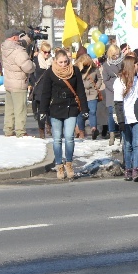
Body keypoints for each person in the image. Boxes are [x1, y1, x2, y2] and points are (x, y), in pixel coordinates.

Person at [38, 49, 88, 180]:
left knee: (69, 137)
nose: (64, 64)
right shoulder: (50, 72)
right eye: (61, 62)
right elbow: (46, 93)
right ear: (55, 61)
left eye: (66, 61)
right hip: (55, 108)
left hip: (70, 107)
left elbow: (81, 91)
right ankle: (59, 165)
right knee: (57, 139)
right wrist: (42, 111)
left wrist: (85, 109)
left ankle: (69, 163)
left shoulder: (75, 70)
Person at [114, 54, 138, 181]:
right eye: (136, 64)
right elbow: (118, 103)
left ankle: (136, 170)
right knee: (128, 145)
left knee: (137, 145)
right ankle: (128, 169)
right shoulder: (119, 81)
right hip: (126, 118)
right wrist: (121, 121)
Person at [1, 29, 35, 137]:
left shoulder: (5, 47)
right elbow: (28, 67)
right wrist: (33, 64)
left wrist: (29, 38)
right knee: (20, 109)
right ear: (15, 37)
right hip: (19, 83)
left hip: (9, 83)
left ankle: (8, 130)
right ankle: (20, 131)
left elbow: (22, 43)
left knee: (9, 109)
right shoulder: (18, 51)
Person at [75, 54, 102, 140]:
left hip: (92, 93)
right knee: (81, 113)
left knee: (92, 111)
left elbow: (99, 79)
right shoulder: (77, 70)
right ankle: (81, 130)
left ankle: (93, 129)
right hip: (81, 93)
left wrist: (96, 86)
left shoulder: (94, 69)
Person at [29, 41, 53, 138]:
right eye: (45, 52)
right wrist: (34, 82)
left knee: (50, 110)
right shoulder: (35, 60)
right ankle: (41, 129)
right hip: (39, 88)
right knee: (41, 111)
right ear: (41, 51)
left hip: (50, 88)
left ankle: (49, 126)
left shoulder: (52, 61)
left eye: (49, 52)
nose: (47, 54)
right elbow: (30, 73)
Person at [103, 44, 124, 145]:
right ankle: (112, 133)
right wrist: (113, 88)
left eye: (117, 55)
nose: (116, 57)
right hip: (111, 91)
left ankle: (122, 133)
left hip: (123, 89)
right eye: (114, 55)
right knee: (111, 112)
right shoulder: (106, 65)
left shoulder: (123, 62)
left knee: (121, 112)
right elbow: (105, 80)